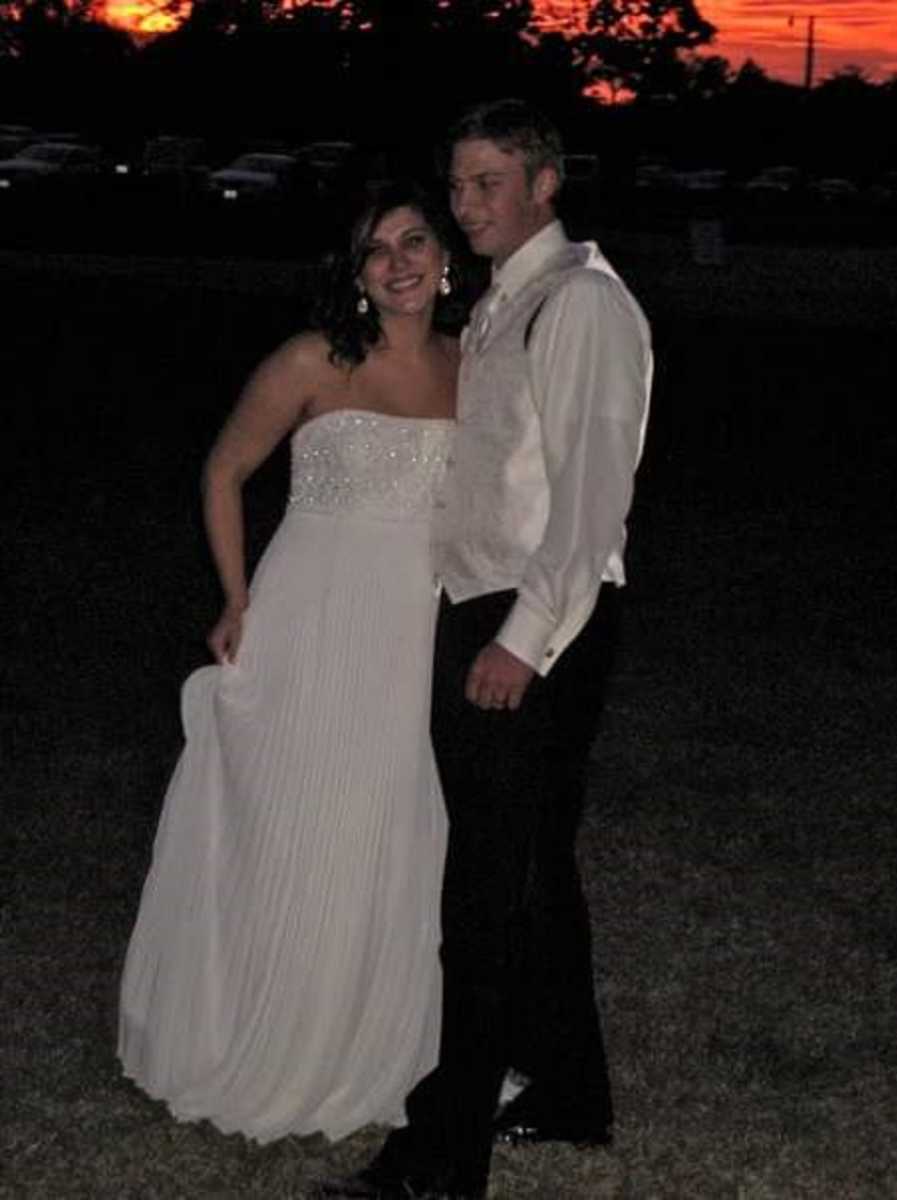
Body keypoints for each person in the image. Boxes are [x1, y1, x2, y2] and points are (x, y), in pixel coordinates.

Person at [325, 100, 652, 1199]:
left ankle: (439, 1155)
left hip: (537, 618)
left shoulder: (584, 305)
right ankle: (568, 1094)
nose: (465, 206)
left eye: (487, 184)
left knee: (485, 895)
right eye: (456, 186)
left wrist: (520, 641)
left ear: (545, 182)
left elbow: (589, 507)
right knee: (533, 873)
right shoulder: (509, 297)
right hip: (487, 604)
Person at [118, 181, 462, 1144]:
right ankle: (263, 1026)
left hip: (412, 628)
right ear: (353, 277)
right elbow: (224, 470)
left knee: (385, 820)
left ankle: (370, 1039)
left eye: (413, 240)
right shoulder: (314, 358)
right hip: (312, 611)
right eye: (374, 250)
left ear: (446, 257)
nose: (397, 261)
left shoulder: (472, 365)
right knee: (295, 816)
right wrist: (235, 597)